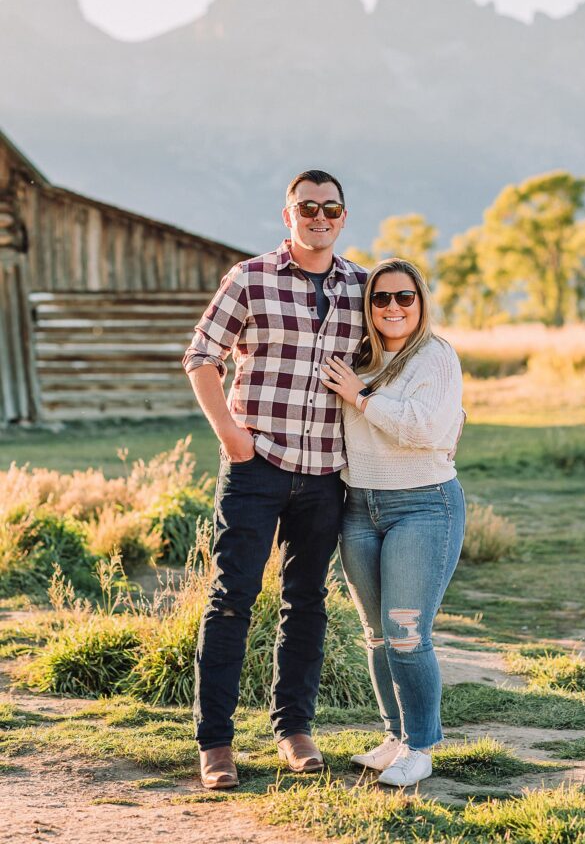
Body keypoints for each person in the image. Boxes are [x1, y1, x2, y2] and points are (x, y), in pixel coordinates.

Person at [183, 170, 366, 790]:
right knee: (232, 598)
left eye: (331, 207)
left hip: (324, 474)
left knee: (306, 602)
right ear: (287, 214)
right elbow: (200, 355)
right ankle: (216, 744)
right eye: (307, 206)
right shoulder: (251, 277)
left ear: (343, 217)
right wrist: (231, 437)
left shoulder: (362, 287)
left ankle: (294, 729)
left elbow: (393, 354)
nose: (319, 216)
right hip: (255, 466)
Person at [321, 258, 465, 788]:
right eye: (381, 298)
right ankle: (395, 737)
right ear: (369, 305)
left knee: (407, 633)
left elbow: (425, 429)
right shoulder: (360, 357)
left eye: (405, 297)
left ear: (421, 302)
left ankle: (423, 745)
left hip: (424, 506)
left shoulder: (435, 356)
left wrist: (359, 396)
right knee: (377, 635)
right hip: (359, 507)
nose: (393, 307)